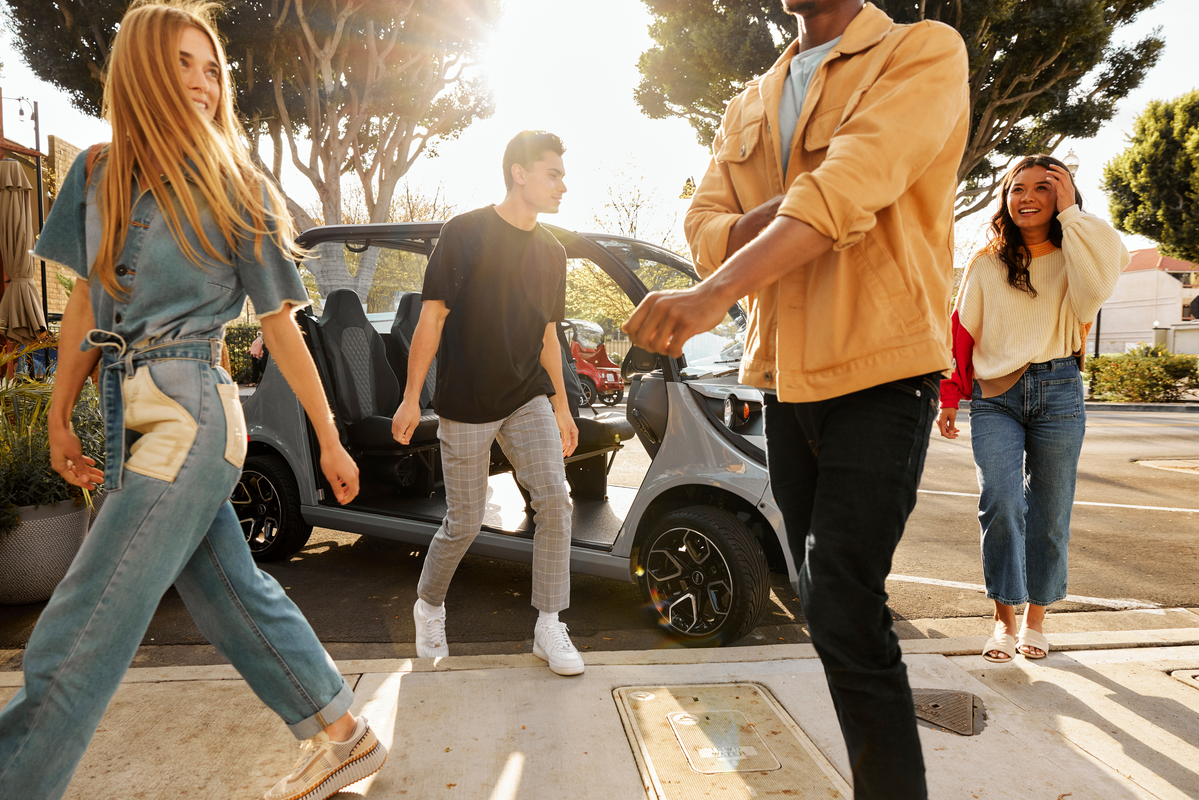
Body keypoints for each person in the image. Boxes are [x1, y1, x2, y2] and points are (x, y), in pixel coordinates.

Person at [0, 4, 387, 799]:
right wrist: (59, 410)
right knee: (228, 593)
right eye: (183, 63)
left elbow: (281, 328)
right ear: (141, 70)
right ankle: (343, 734)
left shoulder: (236, 183)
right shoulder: (97, 171)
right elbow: (83, 304)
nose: (204, 83)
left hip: (192, 413)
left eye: (212, 68)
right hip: (125, 408)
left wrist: (329, 437)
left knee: (86, 618)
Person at [623, 1, 969, 796]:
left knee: (845, 599)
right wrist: (787, 211)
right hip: (782, 376)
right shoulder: (750, 98)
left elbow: (856, 179)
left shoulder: (920, 50)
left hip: (883, 368)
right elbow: (701, 222)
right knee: (821, 600)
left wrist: (718, 288)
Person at [392, 130, 584, 676]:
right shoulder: (465, 233)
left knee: (555, 499)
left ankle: (549, 625)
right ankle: (428, 607)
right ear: (519, 173)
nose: (563, 185)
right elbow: (432, 318)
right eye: (553, 173)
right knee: (465, 522)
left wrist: (564, 408)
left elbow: (548, 335)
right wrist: (411, 400)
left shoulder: (552, 252)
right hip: (467, 402)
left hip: (527, 396)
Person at [937, 155, 1127, 663]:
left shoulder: (1079, 256)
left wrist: (1070, 214)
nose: (1025, 197)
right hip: (996, 397)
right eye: (1016, 187)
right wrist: (951, 394)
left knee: (1049, 512)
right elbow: (962, 331)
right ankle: (1002, 618)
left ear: (1063, 195)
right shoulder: (986, 262)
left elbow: (1102, 281)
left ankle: (1036, 621)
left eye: (1043, 188)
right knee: (999, 501)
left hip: (1059, 389)